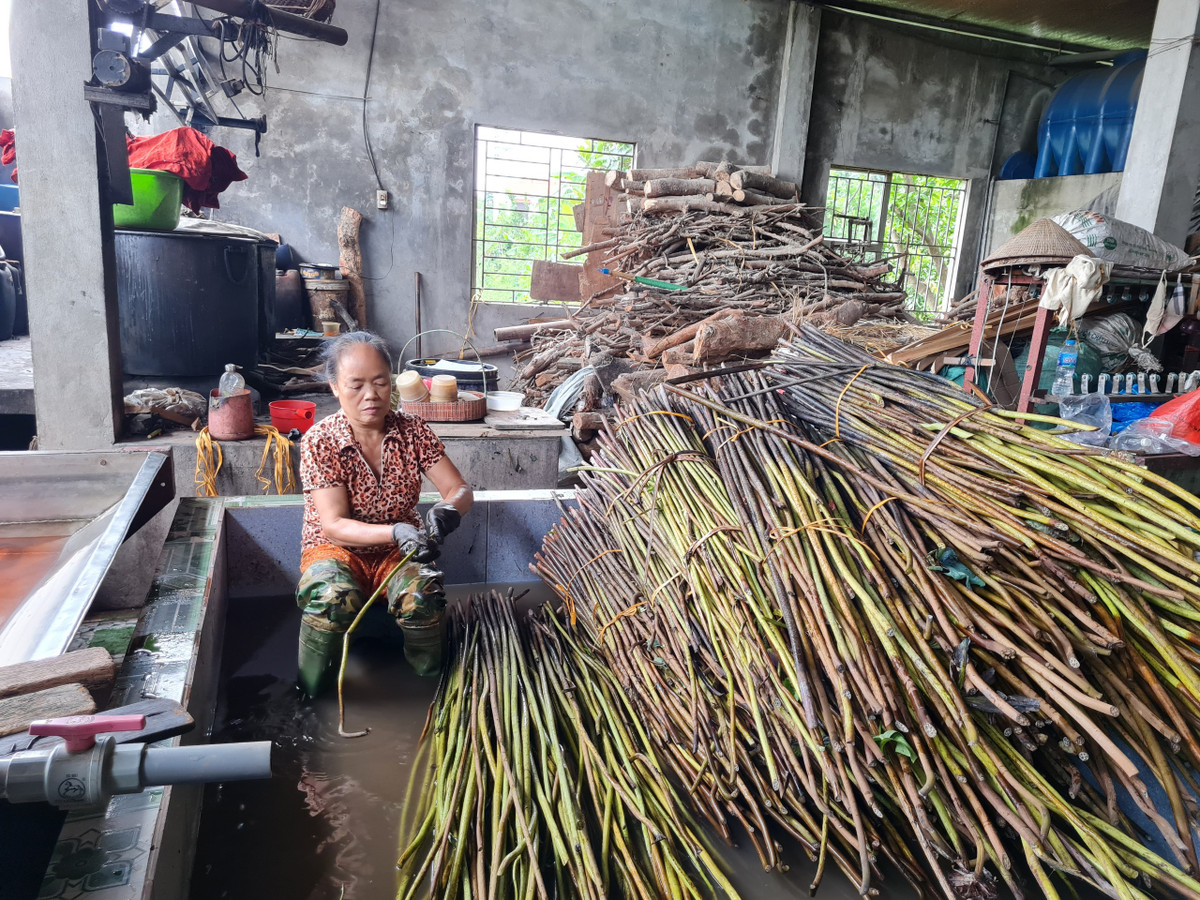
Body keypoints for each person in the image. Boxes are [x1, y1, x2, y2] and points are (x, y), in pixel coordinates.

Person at [295, 331, 473, 694]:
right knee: (331, 600)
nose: (371, 395)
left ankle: (432, 692)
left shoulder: (413, 431)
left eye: (379, 382)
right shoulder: (320, 440)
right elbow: (333, 526)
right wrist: (394, 531)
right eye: (356, 385)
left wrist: (448, 511)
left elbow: (459, 489)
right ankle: (309, 692)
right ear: (334, 387)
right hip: (337, 551)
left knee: (423, 597)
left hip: (399, 552)